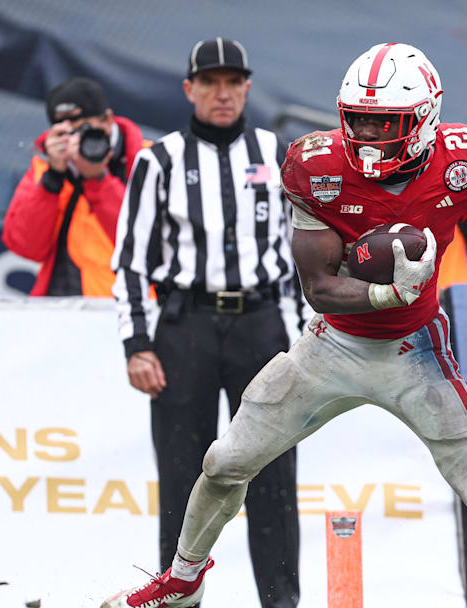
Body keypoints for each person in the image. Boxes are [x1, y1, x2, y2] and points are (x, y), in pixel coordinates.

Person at [101, 42, 467, 608]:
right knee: (223, 463)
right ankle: (184, 582)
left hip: (415, 350)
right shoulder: (317, 167)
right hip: (333, 345)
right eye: (357, 119)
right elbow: (317, 287)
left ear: (424, 119)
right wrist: (388, 291)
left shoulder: (462, 159)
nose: (367, 134)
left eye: (383, 122)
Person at [108, 38, 300, 607]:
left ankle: (281, 600)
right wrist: (136, 344)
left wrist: (302, 338)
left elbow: (303, 256)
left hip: (263, 323)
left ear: (246, 87)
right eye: (210, 83)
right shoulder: (158, 160)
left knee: (272, 473)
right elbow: (130, 261)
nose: (223, 93)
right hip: (184, 326)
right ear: (190, 89)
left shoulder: (277, 153)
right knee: (183, 476)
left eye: (233, 82)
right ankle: (178, 599)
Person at [3, 77, 146, 296]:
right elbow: (25, 247)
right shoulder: (45, 167)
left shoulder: (148, 160)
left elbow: (149, 242)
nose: (75, 141)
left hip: (131, 307)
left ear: (107, 120)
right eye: (65, 132)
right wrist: (52, 179)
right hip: (62, 308)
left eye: (83, 129)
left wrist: (98, 179)